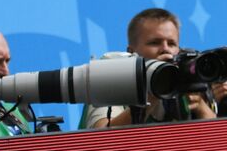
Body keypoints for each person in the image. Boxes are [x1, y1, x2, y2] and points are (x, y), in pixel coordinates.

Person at [85, 8, 216, 128]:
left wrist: (201, 108)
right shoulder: (108, 75)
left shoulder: (185, 81)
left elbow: (217, 141)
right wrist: (154, 90)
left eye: (171, 43)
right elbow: (102, 139)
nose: (165, 49)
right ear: (131, 52)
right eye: (154, 42)